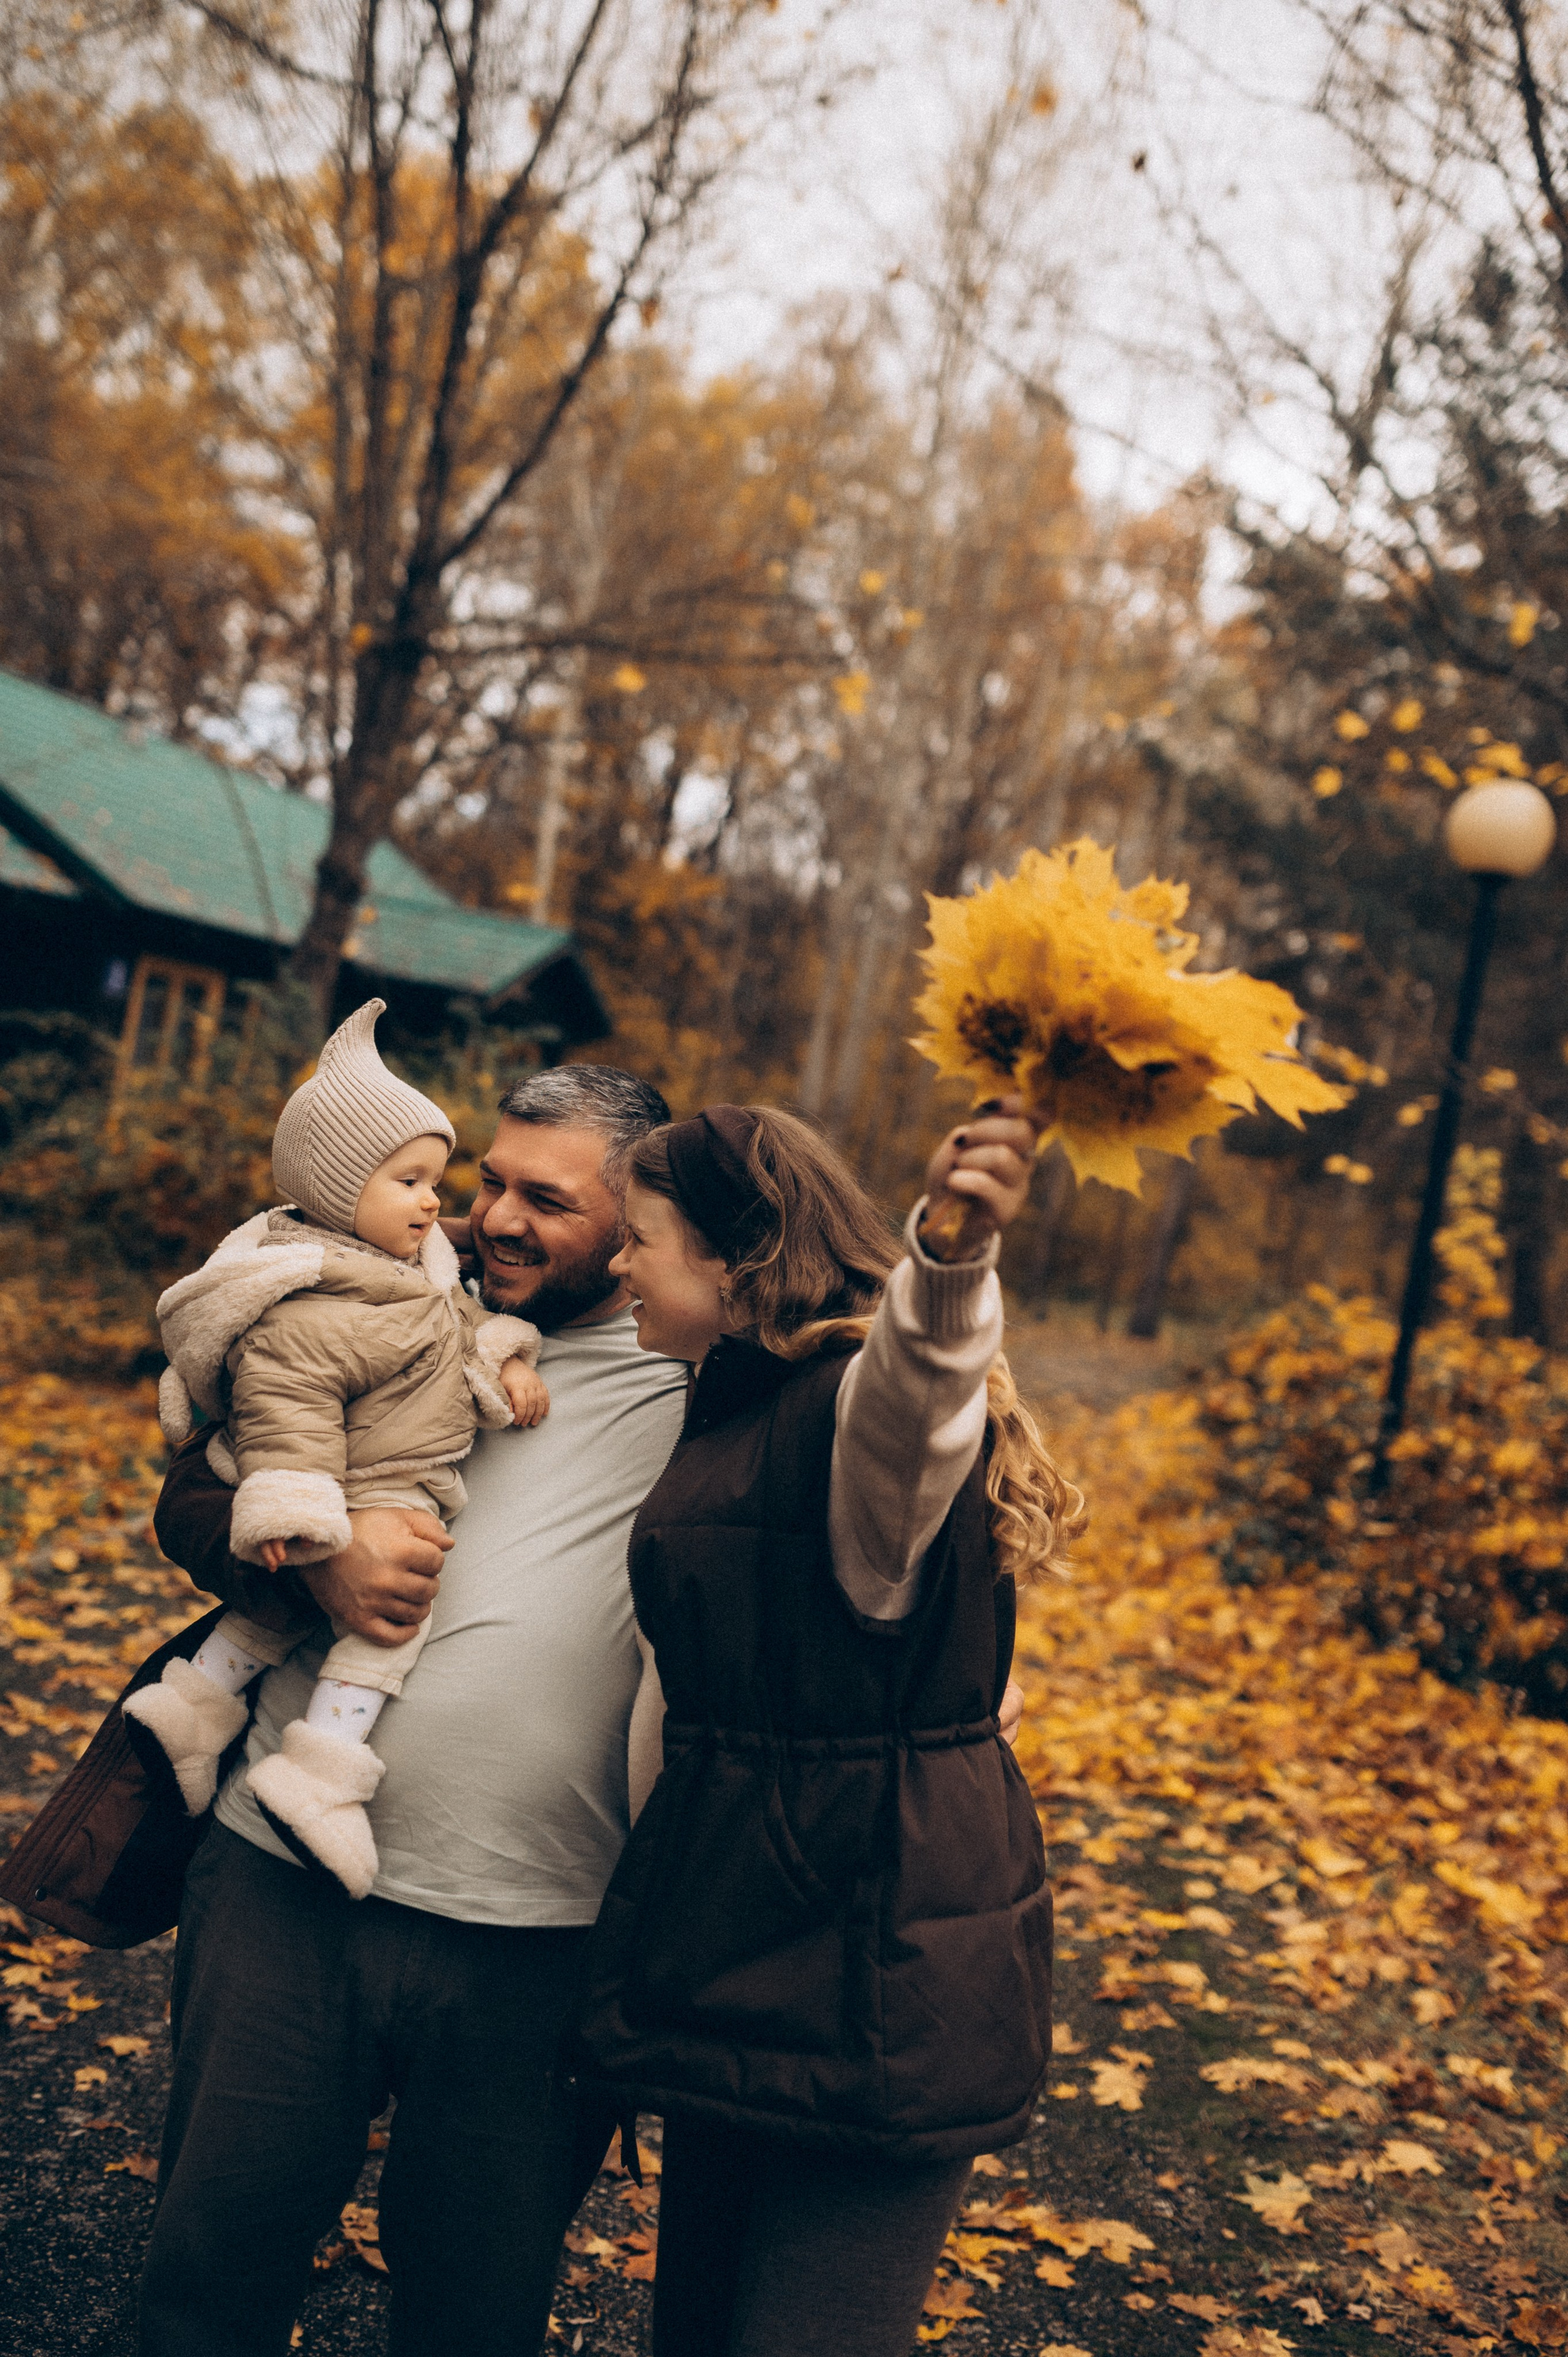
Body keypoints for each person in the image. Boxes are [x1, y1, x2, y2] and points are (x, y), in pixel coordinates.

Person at [137, 1063, 688, 2357]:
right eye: (487, 1178)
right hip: (284, 1885)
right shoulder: (385, 1274)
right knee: (209, 2268)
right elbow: (193, 1486)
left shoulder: (696, 1372)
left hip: (536, 1935)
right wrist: (302, 1553)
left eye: (543, 1200)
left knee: (471, 2306)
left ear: (636, 1222)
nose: (490, 1216)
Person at [574, 1097, 1084, 2357]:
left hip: (877, 1970)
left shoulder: (839, 1414)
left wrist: (950, 1259)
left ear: (737, 1257)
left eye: (639, 1236)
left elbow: (917, 1401)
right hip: (742, 1942)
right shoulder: (727, 1403)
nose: (618, 1260)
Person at [124, 1000, 547, 1898]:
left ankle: (194, 1707)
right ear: (335, 1188)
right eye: (410, 1181)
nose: (440, 1203)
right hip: (371, 1487)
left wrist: (508, 1356)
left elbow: (457, 1326)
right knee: (393, 1618)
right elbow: (287, 1398)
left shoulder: (414, 1269)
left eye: (439, 1177)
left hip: (380, 1473)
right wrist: (301, 1512)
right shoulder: (317, 1296)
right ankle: (320, 1773)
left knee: (273, 1621)